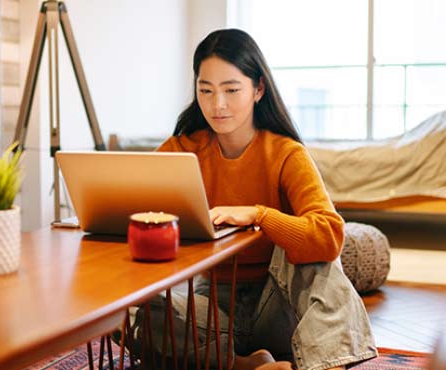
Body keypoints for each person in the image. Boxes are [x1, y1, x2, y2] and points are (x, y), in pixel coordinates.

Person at [128, 28, 377, 370]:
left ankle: (324, 365)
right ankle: (247, 365)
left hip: (278, 309)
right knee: (125, 313)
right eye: (206, 90)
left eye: (231, 90)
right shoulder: (182, 150)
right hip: (213, 310)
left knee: (318, 258)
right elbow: (130, 200)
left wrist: (260, 215)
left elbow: (330, 235)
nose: (217, 104)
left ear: (258, 89)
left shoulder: (286, 153)